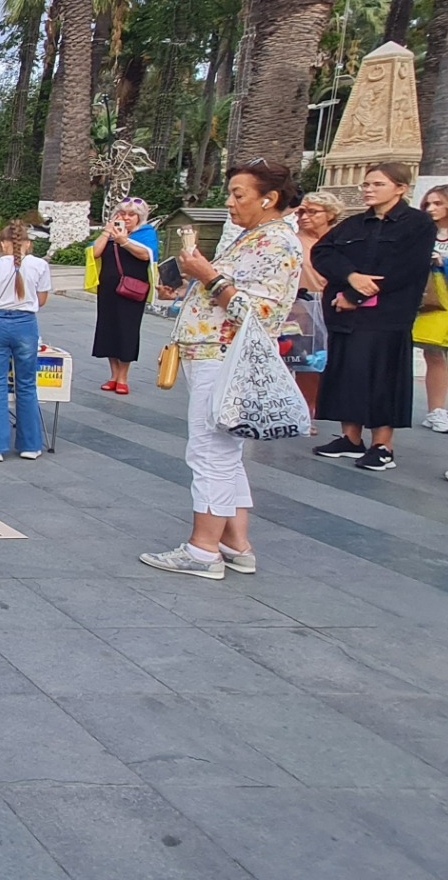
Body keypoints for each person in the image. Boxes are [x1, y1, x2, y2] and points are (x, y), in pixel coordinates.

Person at [141, 161, 302, 580]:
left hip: (224, 355)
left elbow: (260, 312)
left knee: (210, 451)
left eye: (239, 195)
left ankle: (202, 548)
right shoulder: (256, 237)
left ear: (269, 199)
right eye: (230, 193)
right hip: (212, 352)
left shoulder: (277, 243)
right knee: (224, 453)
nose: (230, 203)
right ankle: (235, 541)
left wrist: (208, 276)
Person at [311, 162, 439, 472]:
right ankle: (350, 438)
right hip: (346, 315)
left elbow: (407, 268)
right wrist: (350, 277)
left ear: (400, 188)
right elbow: (323, 252)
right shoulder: (354, 224)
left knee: (384, 376)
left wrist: (357, 296)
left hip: (388, 315)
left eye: (377, 184)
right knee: (347, 372)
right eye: (366, 184)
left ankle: (383, 445)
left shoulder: (417, 224)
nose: (369, 189)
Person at [0, 220, 52, 461]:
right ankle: (30, 446)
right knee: (26, 385)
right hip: (26, 323)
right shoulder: (40, 266)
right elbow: (42, 300)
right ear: (28, 243)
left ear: (2, 244)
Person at [90, 197, 156, 395]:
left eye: (132, 215)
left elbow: (146, 255)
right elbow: (94, 253)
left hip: (132, 291)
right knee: (108, 329)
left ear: (139, 218)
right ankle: (113, 375)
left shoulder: (146, 233)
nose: (127, 218)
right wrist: (107, 232)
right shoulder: (111, 233)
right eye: (123, 213)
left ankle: (123, 378)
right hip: (108, 289)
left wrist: (124, 242)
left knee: (127, 330)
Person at [290, 193, 344, 425]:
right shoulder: (293, 240)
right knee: (303, 361)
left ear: (330, 215)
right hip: (299, 305)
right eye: (301, 211)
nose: (304, 217)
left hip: (333, 305)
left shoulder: (339, 241)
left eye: (312, 212)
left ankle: (311, 410)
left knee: (320, 364)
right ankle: (300, 411)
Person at [413, 184, 448, 434]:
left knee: (439, 353)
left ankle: (437, 411)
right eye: (428, 204)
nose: (431, 209)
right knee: (433, 352)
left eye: (438, 203)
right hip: (427, 298)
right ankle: (436, 411)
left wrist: (445, 261)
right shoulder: (423, 231)